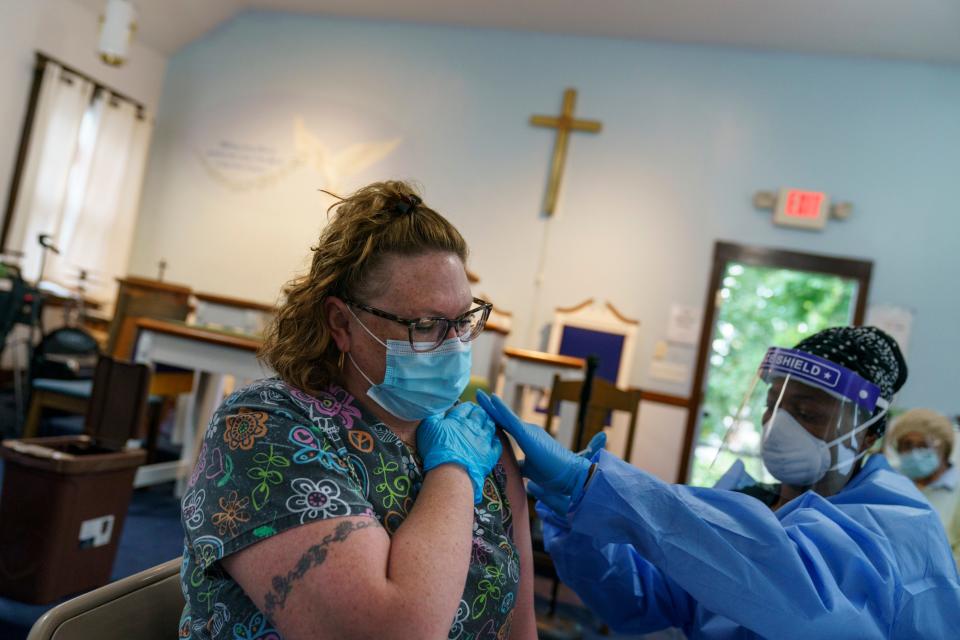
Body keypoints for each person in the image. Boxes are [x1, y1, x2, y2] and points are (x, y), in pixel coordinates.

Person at [179, 181, 536, 639]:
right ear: (342, 323)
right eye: (425, 326)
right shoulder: (263, 428)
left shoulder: (481, 440)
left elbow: (522, 629)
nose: (454, 346)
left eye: (464, 321)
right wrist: (454, 470)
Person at [478, 326, 960, 638]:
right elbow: (645, 600)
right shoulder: (752, 503)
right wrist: (579, 522)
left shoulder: (902, 528)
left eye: (808, 412)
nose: (778, 425)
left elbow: (798, 593)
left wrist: (600, 488)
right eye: (774, 405)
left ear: (871, 433)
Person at [886, 408, 960, 566]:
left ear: (944, 448)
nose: (914, 453)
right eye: (907, 445)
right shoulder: (891, 482)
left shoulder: (955, 491)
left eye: (923, 445)